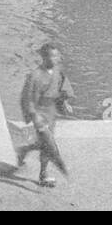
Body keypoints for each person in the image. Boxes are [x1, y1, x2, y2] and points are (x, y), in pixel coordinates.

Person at [16, 43, 74, 188]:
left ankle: (25, 149)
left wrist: (65, 102)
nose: (53, 59)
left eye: (56, 56)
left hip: (51, 111)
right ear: (43, 57)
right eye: (49, 56)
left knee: (44, 142)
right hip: (39, 112)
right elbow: (27, 98)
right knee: (48, 144)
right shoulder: (35, 75)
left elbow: (63, 88)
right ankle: (43, 174)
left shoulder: (57, 73)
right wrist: (34, 115)